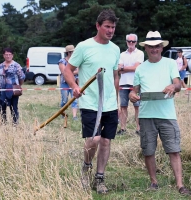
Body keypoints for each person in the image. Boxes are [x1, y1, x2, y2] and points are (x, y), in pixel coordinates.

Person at [64, 9, 120, 194]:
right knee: (93, 140)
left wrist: (117, 101)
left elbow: (114, 76)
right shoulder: (84, 46)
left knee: (105, 142)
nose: (110, 30)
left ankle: (100, 178)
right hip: (89, 102)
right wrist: (74, 86)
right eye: (107, 27)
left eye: (113, 27)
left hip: (110, 103)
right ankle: (86, 166)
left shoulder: (115, 49)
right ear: (98, 26)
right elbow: (67, 69)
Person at [129, 31, 191, 195]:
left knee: (174, 149)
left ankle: (180, 185)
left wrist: (173, 87)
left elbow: (178, 84)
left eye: (157, 46)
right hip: (145, 115)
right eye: (151, 46)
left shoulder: (170, 63)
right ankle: (153, 182)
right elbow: (134, 90)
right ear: (146, 48)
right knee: (148, 150)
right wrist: (132, 96)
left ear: (161, 47)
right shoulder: (140, 68)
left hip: (167, 115)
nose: (154, 49)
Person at [117, 33, 144, 135]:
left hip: (135, 85)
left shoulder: (140, 53)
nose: (131, 43)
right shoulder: (122, 54)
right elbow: (119, 69)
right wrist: (130, 68)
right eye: (129, 41)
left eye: (133, 41)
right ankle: (123, 128)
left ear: (136, 42)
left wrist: (124, 68)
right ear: (126, 42)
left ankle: (139, 129)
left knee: (137, 107)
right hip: (123, 84)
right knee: (123, 106)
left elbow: (137, 68)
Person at [0, 47, 25, 125]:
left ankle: (15, 124)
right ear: (3, 55)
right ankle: (3, 124)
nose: (8, 56)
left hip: (13, 91)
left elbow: (22, 77)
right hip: (2, 91)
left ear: (12, 55)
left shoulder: (17, 65)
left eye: (9, 54)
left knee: (14, 108)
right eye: (6, 54)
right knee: (2, 108)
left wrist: (18, 86)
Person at [58, 45, 79, 120]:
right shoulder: (62, 61)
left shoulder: (76, 61)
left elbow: (79, 71)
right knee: (64, 100)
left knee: (75, 99)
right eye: (73, 51)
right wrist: (72, 72)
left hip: (74, 83)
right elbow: (64, 72)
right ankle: (62, 113)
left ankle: (74, 116)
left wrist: (69, 72)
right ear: (69, 53)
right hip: (65, 83)